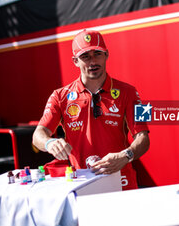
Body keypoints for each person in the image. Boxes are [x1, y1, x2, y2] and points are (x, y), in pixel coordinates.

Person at [32, 29, 150, 190]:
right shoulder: (59, 96)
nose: (93, 61)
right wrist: (49, 142)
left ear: (107, 55)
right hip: (80, 182)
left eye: (98, 54)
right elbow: (37, 135)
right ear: (75, 61)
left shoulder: (130, 92)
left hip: (122, 181)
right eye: (85, 56)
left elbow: (144, 139)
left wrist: (126, 155)